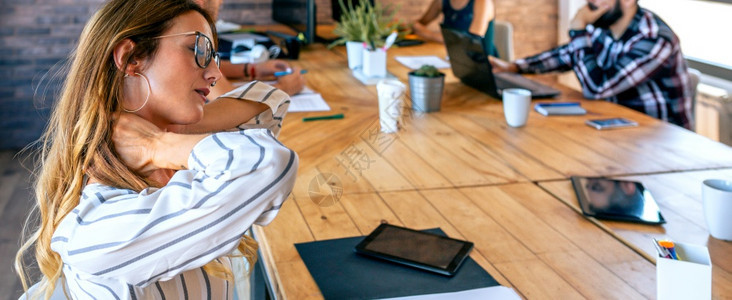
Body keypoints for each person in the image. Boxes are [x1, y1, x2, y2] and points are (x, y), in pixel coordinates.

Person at [14, 0, 298, 298]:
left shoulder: (165, 163)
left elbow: (271, 102)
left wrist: (167, 133)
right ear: (131, 57)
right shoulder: (98, 225)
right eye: (198, 50)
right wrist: (157, 143)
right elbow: (268, 163)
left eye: (213, 56)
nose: (214, 73)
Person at [490, 0, 693, 129]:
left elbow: (597, 88)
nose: (589, 3)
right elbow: (566, 55)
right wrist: (513, 67)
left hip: (659, 140)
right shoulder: (604, 27)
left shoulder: (654, 38)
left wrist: (578, 30)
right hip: (615, 128)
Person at [195, 0, 306, 98]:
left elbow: (207, 66)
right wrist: (284, 87)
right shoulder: (191, 39)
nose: (221, 2)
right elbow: (228, 100)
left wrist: (252, 69)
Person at [413, 0, 498, 56]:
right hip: (454, 58)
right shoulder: (442, 1)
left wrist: (428, 33)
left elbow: (471, 40)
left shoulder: (482, 2)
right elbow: (419, 24)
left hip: (483, 65)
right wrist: (415, 27)